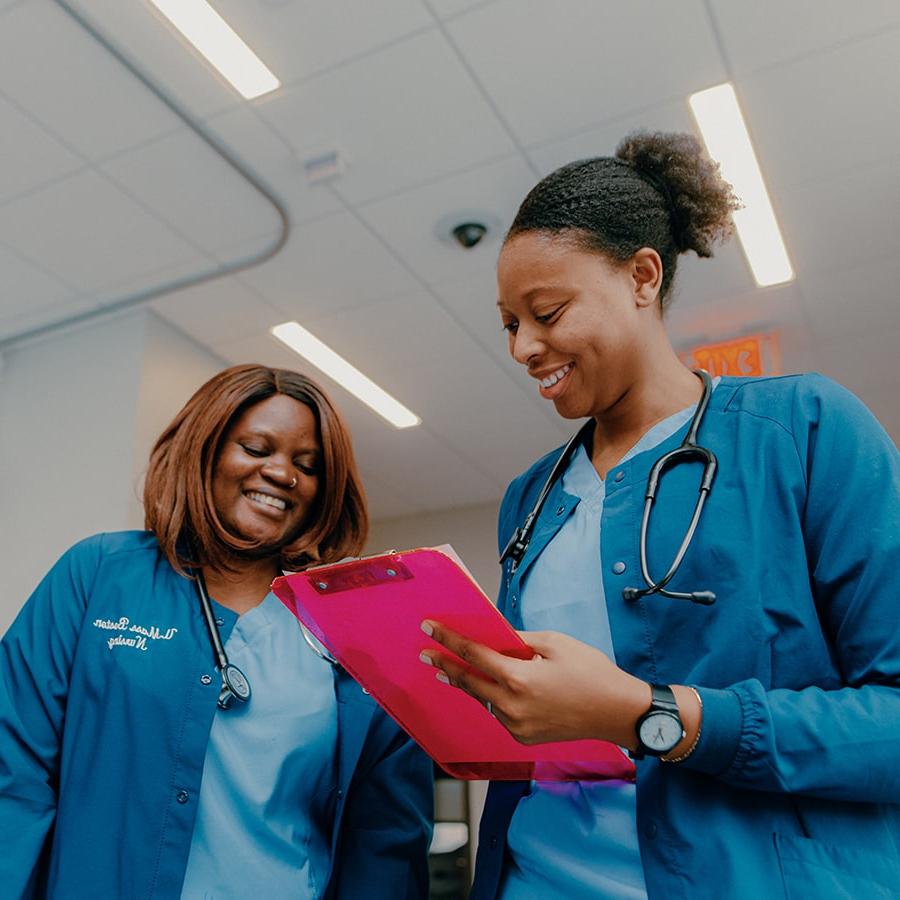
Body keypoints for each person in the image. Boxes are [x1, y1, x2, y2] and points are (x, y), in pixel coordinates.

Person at [419, 132, 900, 898]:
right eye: (510, 323)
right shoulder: (530, 498)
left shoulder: (805, 430)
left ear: (643, 276)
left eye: (547, 311)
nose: (523, 347)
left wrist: (654, 716)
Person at [0, 364, 433, 899]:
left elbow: (384, 839)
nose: (282, 473)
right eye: (256, 448)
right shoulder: (99, 574)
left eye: (308, 465)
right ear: (204, 451)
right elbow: (13, 769)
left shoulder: (354, 628)